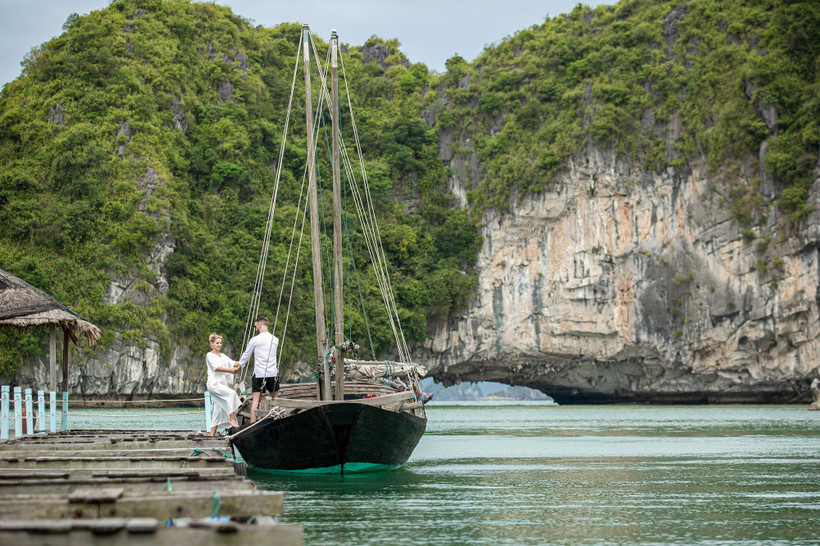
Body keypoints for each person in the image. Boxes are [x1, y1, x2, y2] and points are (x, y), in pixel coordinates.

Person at [238, 316, 280, 423]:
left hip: (259, 374)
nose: (255, 328)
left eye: (255, 326)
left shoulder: (255, 340)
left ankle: (253, 424)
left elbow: (246, 355)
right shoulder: (275, 340)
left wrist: (239, 366)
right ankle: (275, 421)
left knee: (256, 400)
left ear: (260, 326)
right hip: (273, 373)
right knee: (275, 399)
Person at [205, 333, 241, 436]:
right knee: (231, 394)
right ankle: (232, 419)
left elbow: (234, 363)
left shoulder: (223, 356)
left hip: (222, 383)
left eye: (220, 343)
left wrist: (243, 360)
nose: (219, 345)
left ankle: (211, 434)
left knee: (218, 408)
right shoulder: (210, 355)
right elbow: (216, 368)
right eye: (217, 343)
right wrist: (230, 371)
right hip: (214, 384)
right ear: (212, 344)